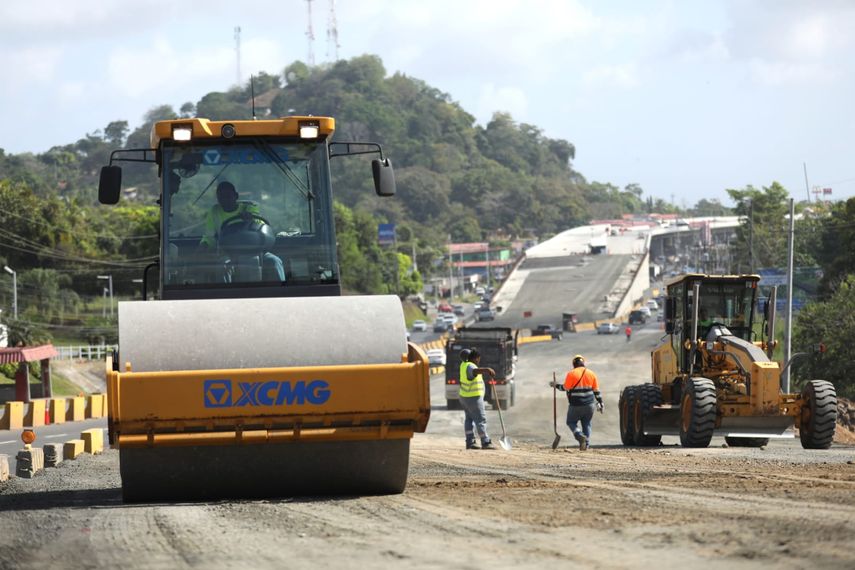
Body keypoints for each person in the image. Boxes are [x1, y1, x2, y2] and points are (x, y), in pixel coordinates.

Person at [200, 181, 285, 282]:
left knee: (274, 261)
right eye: (221, 197)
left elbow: (261, 225)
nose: (224, 200)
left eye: (227, 196)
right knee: (222, 266)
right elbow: (209, 237)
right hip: (229, 253)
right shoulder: (214, 212)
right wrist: (204, 245)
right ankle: (225, 296)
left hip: (257, 251)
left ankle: (281, 293)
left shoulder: (249, 207)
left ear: (236, 196)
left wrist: (250, 219)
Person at [550, 355, 603, 450]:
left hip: (576, 404)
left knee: (571, 421)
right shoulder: (591, 373)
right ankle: (586, 444)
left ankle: (579, 434)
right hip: (589, 405)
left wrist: (555, 385)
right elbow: (596, 391)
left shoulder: (571, 373)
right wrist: (600, 402)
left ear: (574, 364)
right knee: (586, 423)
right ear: (583, 363)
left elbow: (565, 388)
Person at [458, 348, 496, 450]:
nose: (478, 360)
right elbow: (474, 372)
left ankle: (470, 442)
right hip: (473, 397)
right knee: (480, 419)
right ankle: (485, 441)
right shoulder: (470, 366)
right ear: (475, 358)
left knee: (469, 419)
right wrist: (487, 370)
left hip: (464, 396)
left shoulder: (463, 365)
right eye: (478, 358)